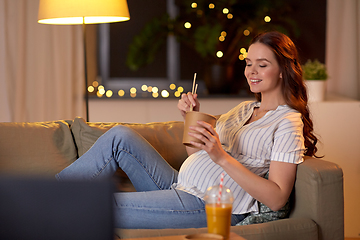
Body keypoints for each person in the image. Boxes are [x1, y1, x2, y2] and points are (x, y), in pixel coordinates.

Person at [56, 31, 319, 229]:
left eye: (262, 64)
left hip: (210, 204)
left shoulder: (287, 122)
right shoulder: (244, 109)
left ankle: (41, 205)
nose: (251, 71)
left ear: (283, 70)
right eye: (249, 63)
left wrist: (221, 157)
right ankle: (48, 191)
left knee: (98, 205)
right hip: (180, 184)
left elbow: (276, 198)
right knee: (119, 136)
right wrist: (190, 118)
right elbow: (197, 152)